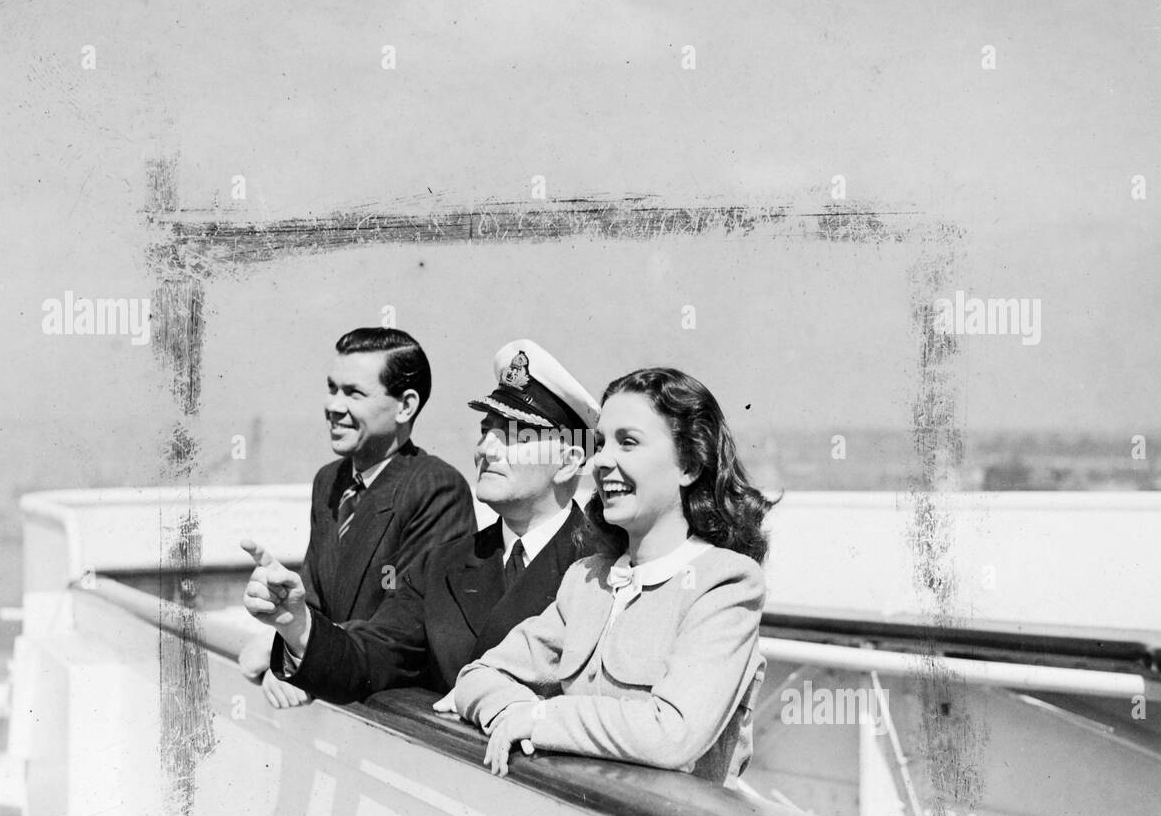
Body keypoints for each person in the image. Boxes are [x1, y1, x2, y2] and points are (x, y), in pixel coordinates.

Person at [454, 367, 778, 786]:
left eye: (628, 442)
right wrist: (510, 712)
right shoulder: (588, 580)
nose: (603, 459)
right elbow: (477, 676)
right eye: (602, 443)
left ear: (690, 464)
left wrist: (538, 717)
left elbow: (673, 734)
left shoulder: (726, 583)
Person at [242, 340, 600, 706]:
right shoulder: (441, 565)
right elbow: (374, 655)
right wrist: (297, 626)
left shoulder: (605, 568)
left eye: (511, 434)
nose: (485, 449)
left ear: (569, 461)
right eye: (485, 431)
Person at [239, 327, 476, 690]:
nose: (333, 406)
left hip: (394, 717)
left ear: (406, 406)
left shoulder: (437, 487)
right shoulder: (329, 481)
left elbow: (404, 632)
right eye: (332, 388)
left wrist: (306, 654)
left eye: (354, 393)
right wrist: (287, 639)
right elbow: (315, 602)